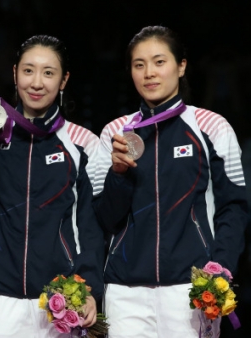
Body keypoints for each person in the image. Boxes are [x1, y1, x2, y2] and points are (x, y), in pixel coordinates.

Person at [92, 25, 248, 338]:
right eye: (139, 65)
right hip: (125, 292)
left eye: (159, 62)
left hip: (191, 291)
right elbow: (103, 219)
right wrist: (119, 174)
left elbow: (235, 207)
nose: (149, 73)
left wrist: (219, 270)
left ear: (181, 66)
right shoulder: (114, 133)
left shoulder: (212, 126)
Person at [0, 35, 104, 338]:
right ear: (14, 73)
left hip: (63, 295)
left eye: (48, 73)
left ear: (64, 80)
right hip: (0, 295)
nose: (36, 83)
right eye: (28, 71)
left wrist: (90, 289)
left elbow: (89, 227)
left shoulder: (83, 143)